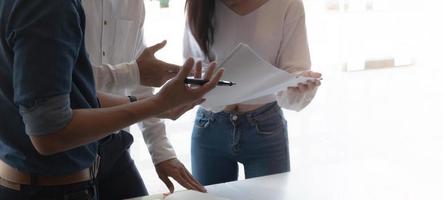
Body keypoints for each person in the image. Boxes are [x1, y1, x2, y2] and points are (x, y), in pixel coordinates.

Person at [0, 0, 223, 199]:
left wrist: (158, 112)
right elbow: (49, 132)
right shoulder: (49, 7)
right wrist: (158, 102)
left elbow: (73, 93)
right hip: (50, 186)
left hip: (75, 171)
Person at [184, 0, 322, 185]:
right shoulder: (198, 4)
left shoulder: (288, 4)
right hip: (209, 126)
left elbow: (293, 68)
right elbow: (194, 68)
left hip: (264, 128)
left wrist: (298, 82)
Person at [81, 1, 205, 199]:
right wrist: (135, 73)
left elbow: (140, 81)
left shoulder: (133, 4)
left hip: (116, 145)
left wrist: (161, 152)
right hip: (69, 146)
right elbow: (67, 83)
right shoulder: (62, 7)